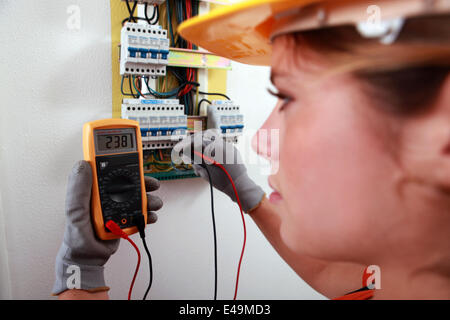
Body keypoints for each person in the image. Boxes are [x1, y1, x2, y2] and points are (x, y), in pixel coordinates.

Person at [53, 0, 450, 299]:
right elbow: (338, 277)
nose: (261, 140)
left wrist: (80, 269)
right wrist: (250, 197)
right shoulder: (391, 281)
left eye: (289, 96)